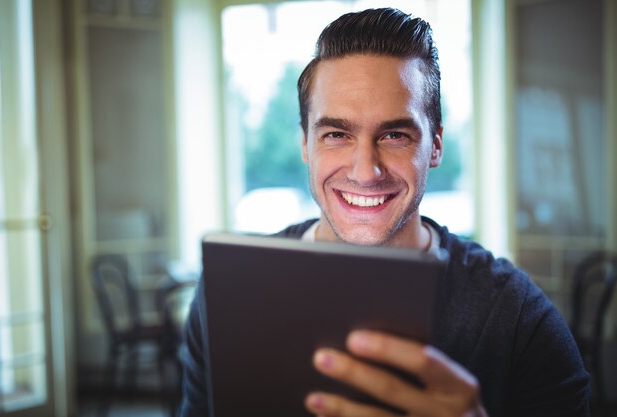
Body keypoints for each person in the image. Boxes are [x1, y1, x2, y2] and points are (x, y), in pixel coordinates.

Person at [178, 7, 589, 417]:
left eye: (395, 135)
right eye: (337, 134)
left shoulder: (518, 321)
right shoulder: (226, 298)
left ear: (436, 145)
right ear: (305, 143)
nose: (365, 171)